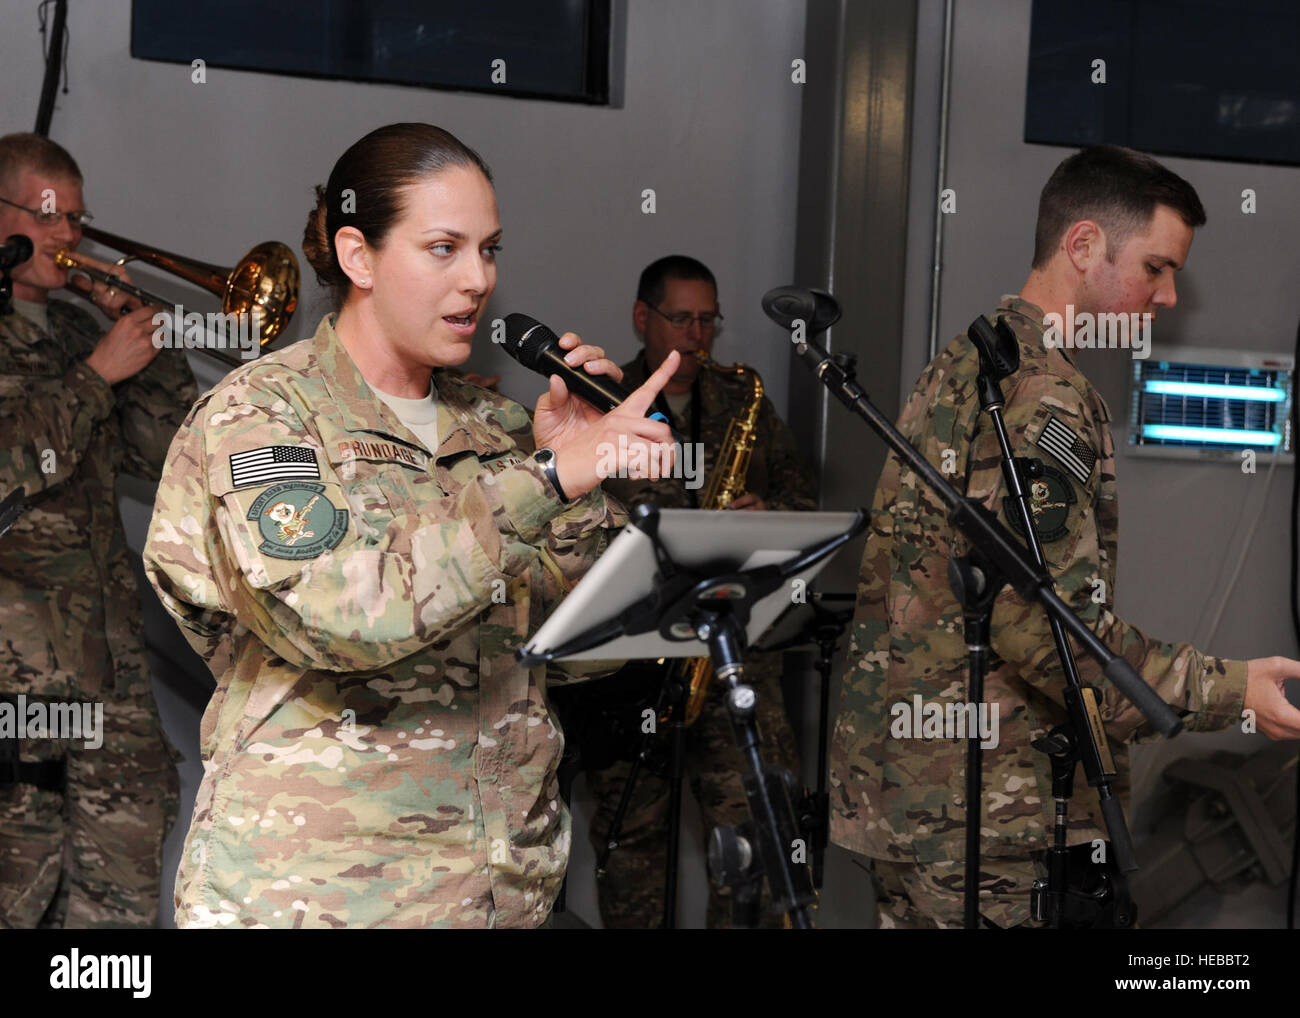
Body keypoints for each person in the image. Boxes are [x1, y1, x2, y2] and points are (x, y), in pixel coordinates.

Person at [143, 122, 679, 929]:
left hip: (499, 893)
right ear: (358, 256)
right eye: (443, 248)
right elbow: (343, 615)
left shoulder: (497, 428)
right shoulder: (265, 412)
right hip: (320, 897)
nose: (478, 280)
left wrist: (581, 490)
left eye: (490, 249)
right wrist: (543, 481)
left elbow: (572, 658)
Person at [829, 144, 1300, 929]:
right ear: (1083, 246)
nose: (1170, 295)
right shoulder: (1046, 395)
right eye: (1156, 267)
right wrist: (1229, 689)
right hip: (989, 811)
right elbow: (1046, 628)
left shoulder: (963, 363)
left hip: (908, 799)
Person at [578, 255, 818, 928]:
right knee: (632, 856)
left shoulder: (745, 400)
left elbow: (803, 497)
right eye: (681, 318)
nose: (696, 336)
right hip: (632, 669)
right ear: (641, 318)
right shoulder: (603, 398)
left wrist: (767, 515)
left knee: (760, 844)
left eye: (708, 319)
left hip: (732, 659)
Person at [0, 132, 193, 927]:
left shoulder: (83, 331)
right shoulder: (85, 359)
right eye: (48, 216)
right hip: (18, 675)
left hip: (110, 664)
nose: (69, 238)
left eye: (77, 219)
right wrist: (91, 381)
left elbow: (173, 447)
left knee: (121, 889)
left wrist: (145, 341)